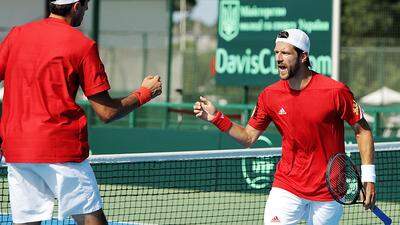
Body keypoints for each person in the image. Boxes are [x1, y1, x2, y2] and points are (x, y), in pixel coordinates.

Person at [0, 0, 162, 224]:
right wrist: (145, 93)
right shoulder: (82, 45)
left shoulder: (17, 35)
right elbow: (106, 112)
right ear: (76, 6)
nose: (86, 11)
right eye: (85, 6)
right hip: (61, 150)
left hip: (18, 149)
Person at [193, 29, 376, 225]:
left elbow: (363, 131)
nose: (278, 58)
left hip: (328, 191)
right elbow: (248, 137)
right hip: (287, 187)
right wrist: (216, 118)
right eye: (276, 53)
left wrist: (369, 177)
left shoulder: (335, 91)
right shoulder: (269, 95)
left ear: (303, 56)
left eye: (285, 53)